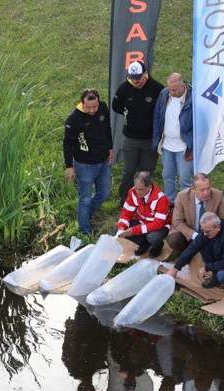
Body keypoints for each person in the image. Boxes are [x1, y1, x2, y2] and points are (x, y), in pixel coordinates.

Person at [166, 212, 224, 299]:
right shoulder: (208, 229)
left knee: (223, 276)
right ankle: (215, 276)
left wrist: (207, 267)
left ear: (217, 227)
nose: (205, 234)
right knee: (203, 246)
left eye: (207, 232)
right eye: (203, 230)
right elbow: (193, 248)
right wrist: (176, 268)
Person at [63, 88, 115, 235]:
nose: (92, 110)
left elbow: (107, 129)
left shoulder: (103, 107)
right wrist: (69, 166)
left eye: (94, 106)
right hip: (84, 164)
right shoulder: (73, 118)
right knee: (84, 199)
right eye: (88, 107)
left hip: (104, 161)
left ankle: (85, 216)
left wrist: (110, 148)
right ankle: (85, 229)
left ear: (98, 101)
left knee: (104, 193)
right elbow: (68, 143)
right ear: (82, 103)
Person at [112, 60, 164, 205]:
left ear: (145, 74)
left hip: (150, 139)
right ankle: (125, 199)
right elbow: (116, 106)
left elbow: (163, 110)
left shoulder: (156, 88)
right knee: (128, 170)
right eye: (133, 79)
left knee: (146, 172)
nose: (135, 82)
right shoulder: (124, 88)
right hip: (130, 138)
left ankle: (145, 199)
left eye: (138, 79)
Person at [152, 72, 193, 209]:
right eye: (170, 89)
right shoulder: (164, 94)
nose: (172, 92)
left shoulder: (193, 98)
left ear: (183, 85)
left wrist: (193, 148)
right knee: (167, 176)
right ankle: (169, 202)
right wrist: (158, 140)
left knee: (185, 180)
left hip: (184, 148)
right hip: (167, 146)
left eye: (175, 90)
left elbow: (200, 126)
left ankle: (184, 205)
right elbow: (157, 115)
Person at [167, 173, 224, 252]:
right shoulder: (182, 197)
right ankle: (189, 249)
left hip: (210, 232)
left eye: (208, 188)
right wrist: (194, 235)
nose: (206, 193)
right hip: (189, 231)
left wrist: (213, 232)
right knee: (174, 240)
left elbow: (223, 218)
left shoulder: (218, 195)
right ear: (193, 188)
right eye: (202, 190)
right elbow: (177, 222)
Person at [116, 171, 171, 258]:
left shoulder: (161, 199)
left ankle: (158, 245)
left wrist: (135, 230)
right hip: (142, 222)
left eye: (140, 189)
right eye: (136, 188)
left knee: (153, 237)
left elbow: (158, 223)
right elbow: (126, 213)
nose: (137, 192)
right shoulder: (132, 192)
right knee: (118, 230)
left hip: (161, 226)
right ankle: (144, 243)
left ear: (149, 187)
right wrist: (121, 227)